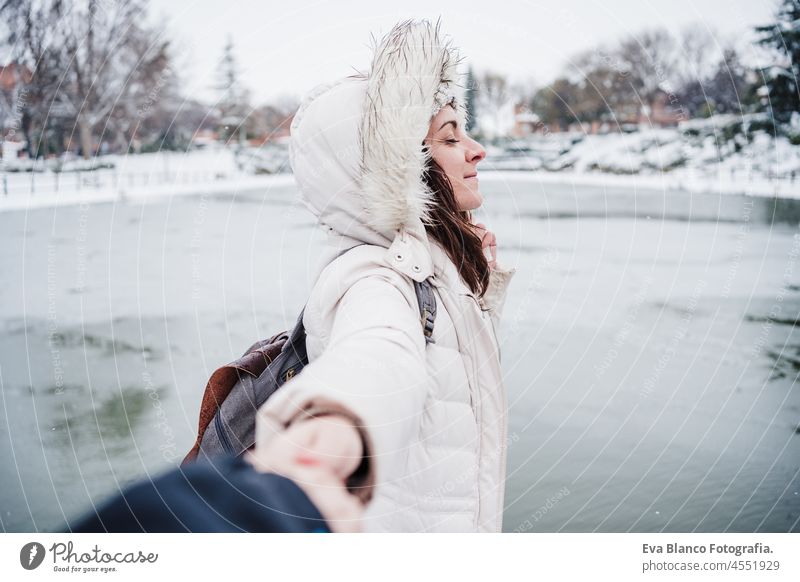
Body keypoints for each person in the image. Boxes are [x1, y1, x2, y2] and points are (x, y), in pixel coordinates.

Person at [247, 18, 517, 533]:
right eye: (449, 136)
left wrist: (480, 288)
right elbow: (378, 358)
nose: (476, 149)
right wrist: (323, 440)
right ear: (399, 166)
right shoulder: (378, 279)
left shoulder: (425, 268)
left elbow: (445, 381)